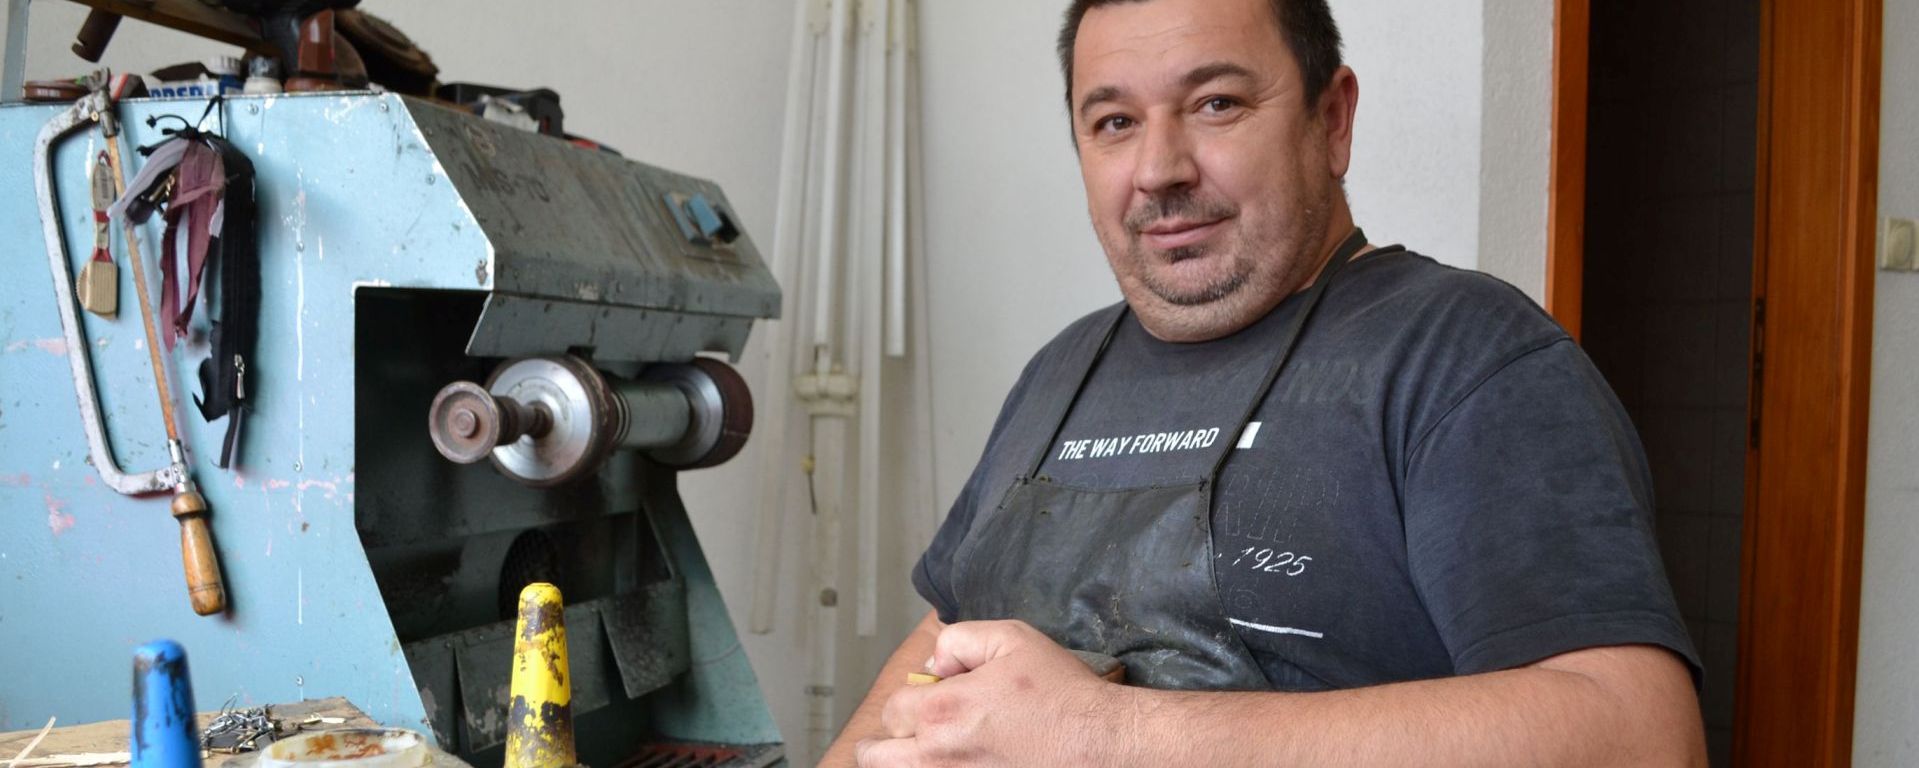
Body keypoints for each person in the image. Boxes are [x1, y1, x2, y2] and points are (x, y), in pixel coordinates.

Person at [826, 0, 1706, 764]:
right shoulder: (1061, 368)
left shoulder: (1462, 354)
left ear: (1332, 120)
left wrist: (1108, 737)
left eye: (1216, 103)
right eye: (1114, 122)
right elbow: (940, 637)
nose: (1159, 169)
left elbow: (1637, 737)